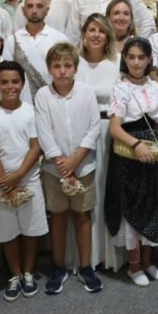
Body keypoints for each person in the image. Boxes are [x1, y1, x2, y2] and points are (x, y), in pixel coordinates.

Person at [35, 43, 103, 294]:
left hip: (83, 166)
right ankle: (59, 267)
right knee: (58, 217)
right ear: (49, 69)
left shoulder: (86, 92)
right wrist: (60, 162)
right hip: (54, 169)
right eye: (57, 66)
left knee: (82, 216)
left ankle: (86, 267)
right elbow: (43, 130)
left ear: (75, 67)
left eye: (67, 66)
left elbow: (94, 126)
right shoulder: (43, 95)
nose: (62, 71)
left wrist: (76, 160)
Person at [106, 38, 158, 287]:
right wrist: (136, 145)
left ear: (148, 60)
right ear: (125, 59)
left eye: (141, 57)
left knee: (153, 203)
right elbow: (115, 128)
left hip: (154, 151)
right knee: (133, 204)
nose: (136, 62)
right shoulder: (120, 88)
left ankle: (148, 260)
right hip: (130, 152)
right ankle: (134, 265)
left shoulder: (155, 87)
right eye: (131, 57)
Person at [0, 61, 49, 302]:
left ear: (22, 84)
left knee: (30, 229)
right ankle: (15, 274)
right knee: (8, 231)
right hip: (1, 183)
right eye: (4, 82)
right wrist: (4, 181)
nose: (10, 86)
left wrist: (19, 175)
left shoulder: (31, 112)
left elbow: (36, 145)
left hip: (28, 179)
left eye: (15, 82)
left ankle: (29, 272)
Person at [76, 13, 125, 272]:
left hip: (109, 131)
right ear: (83, 34)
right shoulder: (74, 63)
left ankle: (111, 253)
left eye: (101, 30)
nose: (96, 34)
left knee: (107, 189)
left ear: (108, 36)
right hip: (81, 133)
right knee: (86, 193)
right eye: (91, 29)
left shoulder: (116, 62)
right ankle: (88, 255)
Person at [3, 0, 70, 103]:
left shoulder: (60, 39)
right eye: (30, 6)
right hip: (21, 106)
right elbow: (6, 75)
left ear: (47, 10)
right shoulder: (12, 41)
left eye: (39, 6)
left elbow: (68, 75)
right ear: (23, 11)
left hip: (54, 102)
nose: (34, 11)